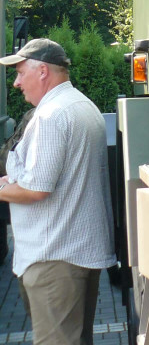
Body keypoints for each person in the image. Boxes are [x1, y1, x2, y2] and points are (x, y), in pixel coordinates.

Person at [0, 39, 115, 345]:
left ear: (42, 72)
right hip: (74, 254)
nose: (16, 83)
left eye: (21, 72)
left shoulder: (51, 117)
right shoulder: (81, 105)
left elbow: (36, 189)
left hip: (54, 258)